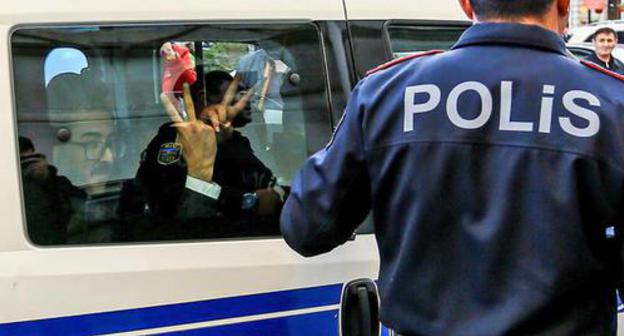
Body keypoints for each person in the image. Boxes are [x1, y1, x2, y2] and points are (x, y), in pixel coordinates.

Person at [280, 0, 624, 335]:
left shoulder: (388, 93)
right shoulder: (612, 104)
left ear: (465, 4)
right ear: (564, 4)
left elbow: (307, 228)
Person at [118, 71, 285, 240]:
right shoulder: (173, 140)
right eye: (239, 93)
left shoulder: (235, 142)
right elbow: (171, 210)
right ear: (205, 97)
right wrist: (246, 201)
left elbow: (270, 186)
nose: (247, 100)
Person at [19, 136, 86, 245]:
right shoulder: (12, 190)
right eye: (22, 163)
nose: (28, 166)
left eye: (30, 160)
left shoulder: (56, 181)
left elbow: (82, 199)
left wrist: (48, 176)